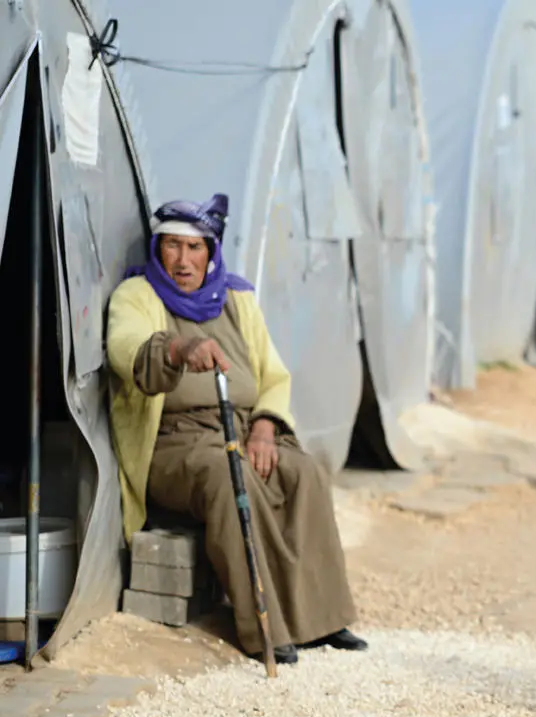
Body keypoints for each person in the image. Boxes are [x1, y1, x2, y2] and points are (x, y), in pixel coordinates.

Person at [107, 194, 365, 666]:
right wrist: (179, 349)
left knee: (302, 472)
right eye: (172, 247)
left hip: (243, 427)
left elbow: (273, 375)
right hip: (174, 442)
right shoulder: (136, 295)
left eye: (195, 248)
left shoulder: (239, 299)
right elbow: (126, 349)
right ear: (157, 249)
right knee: (231, 477)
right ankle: (264, 626)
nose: (183, 261)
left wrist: (265, 427)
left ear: (212, 252)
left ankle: (321, 618)